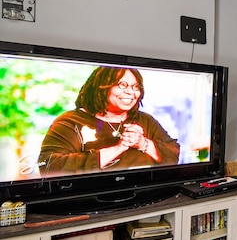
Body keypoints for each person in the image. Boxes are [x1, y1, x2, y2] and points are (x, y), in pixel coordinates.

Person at [39, 66, 180, 174]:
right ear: (100, 87)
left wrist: (142, 143)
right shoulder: (70, 122)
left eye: (135, 87)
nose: (131, 92)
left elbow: (173, 154)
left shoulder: (145, 120)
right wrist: (119, 147)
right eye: (122, 85)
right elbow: (49, 167)